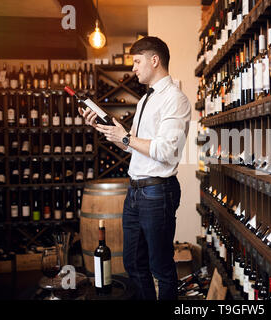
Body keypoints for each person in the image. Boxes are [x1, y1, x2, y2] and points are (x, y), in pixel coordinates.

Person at [79, 36, 191, 300]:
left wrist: (126, 138)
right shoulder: (144, 101)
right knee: (133, 264)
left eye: (137, 61)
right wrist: (104, 129)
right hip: (135, 192)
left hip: (157, 192)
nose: (134, 68)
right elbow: (132, 147)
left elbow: (166, 151)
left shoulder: (175, 99)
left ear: (155, 60)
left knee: (160, 268)